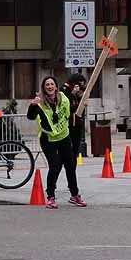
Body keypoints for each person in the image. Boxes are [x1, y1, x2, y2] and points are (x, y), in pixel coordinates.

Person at [27, 76, 86, 209]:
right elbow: (30, 116)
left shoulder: (63, 98)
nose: (49, 87)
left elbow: (71, 110)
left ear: (55, 86)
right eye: (47, 85)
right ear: (44, 88)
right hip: (48, 139)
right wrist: (32, 105)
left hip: (64, 136)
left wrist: (79, 100)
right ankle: (51, 197)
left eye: (52, 84)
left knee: (70, 166)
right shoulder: (40, 102)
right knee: (54, 166)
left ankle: (75, 195)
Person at [63, 74, 87, 160]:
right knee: (68, 147)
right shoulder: (65, 90)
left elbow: (79, 107)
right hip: (68, 123)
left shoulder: (78, 93)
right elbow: (66, 105)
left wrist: (81, 98)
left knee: (76, 147)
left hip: (77, 122)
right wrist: (73, 94)